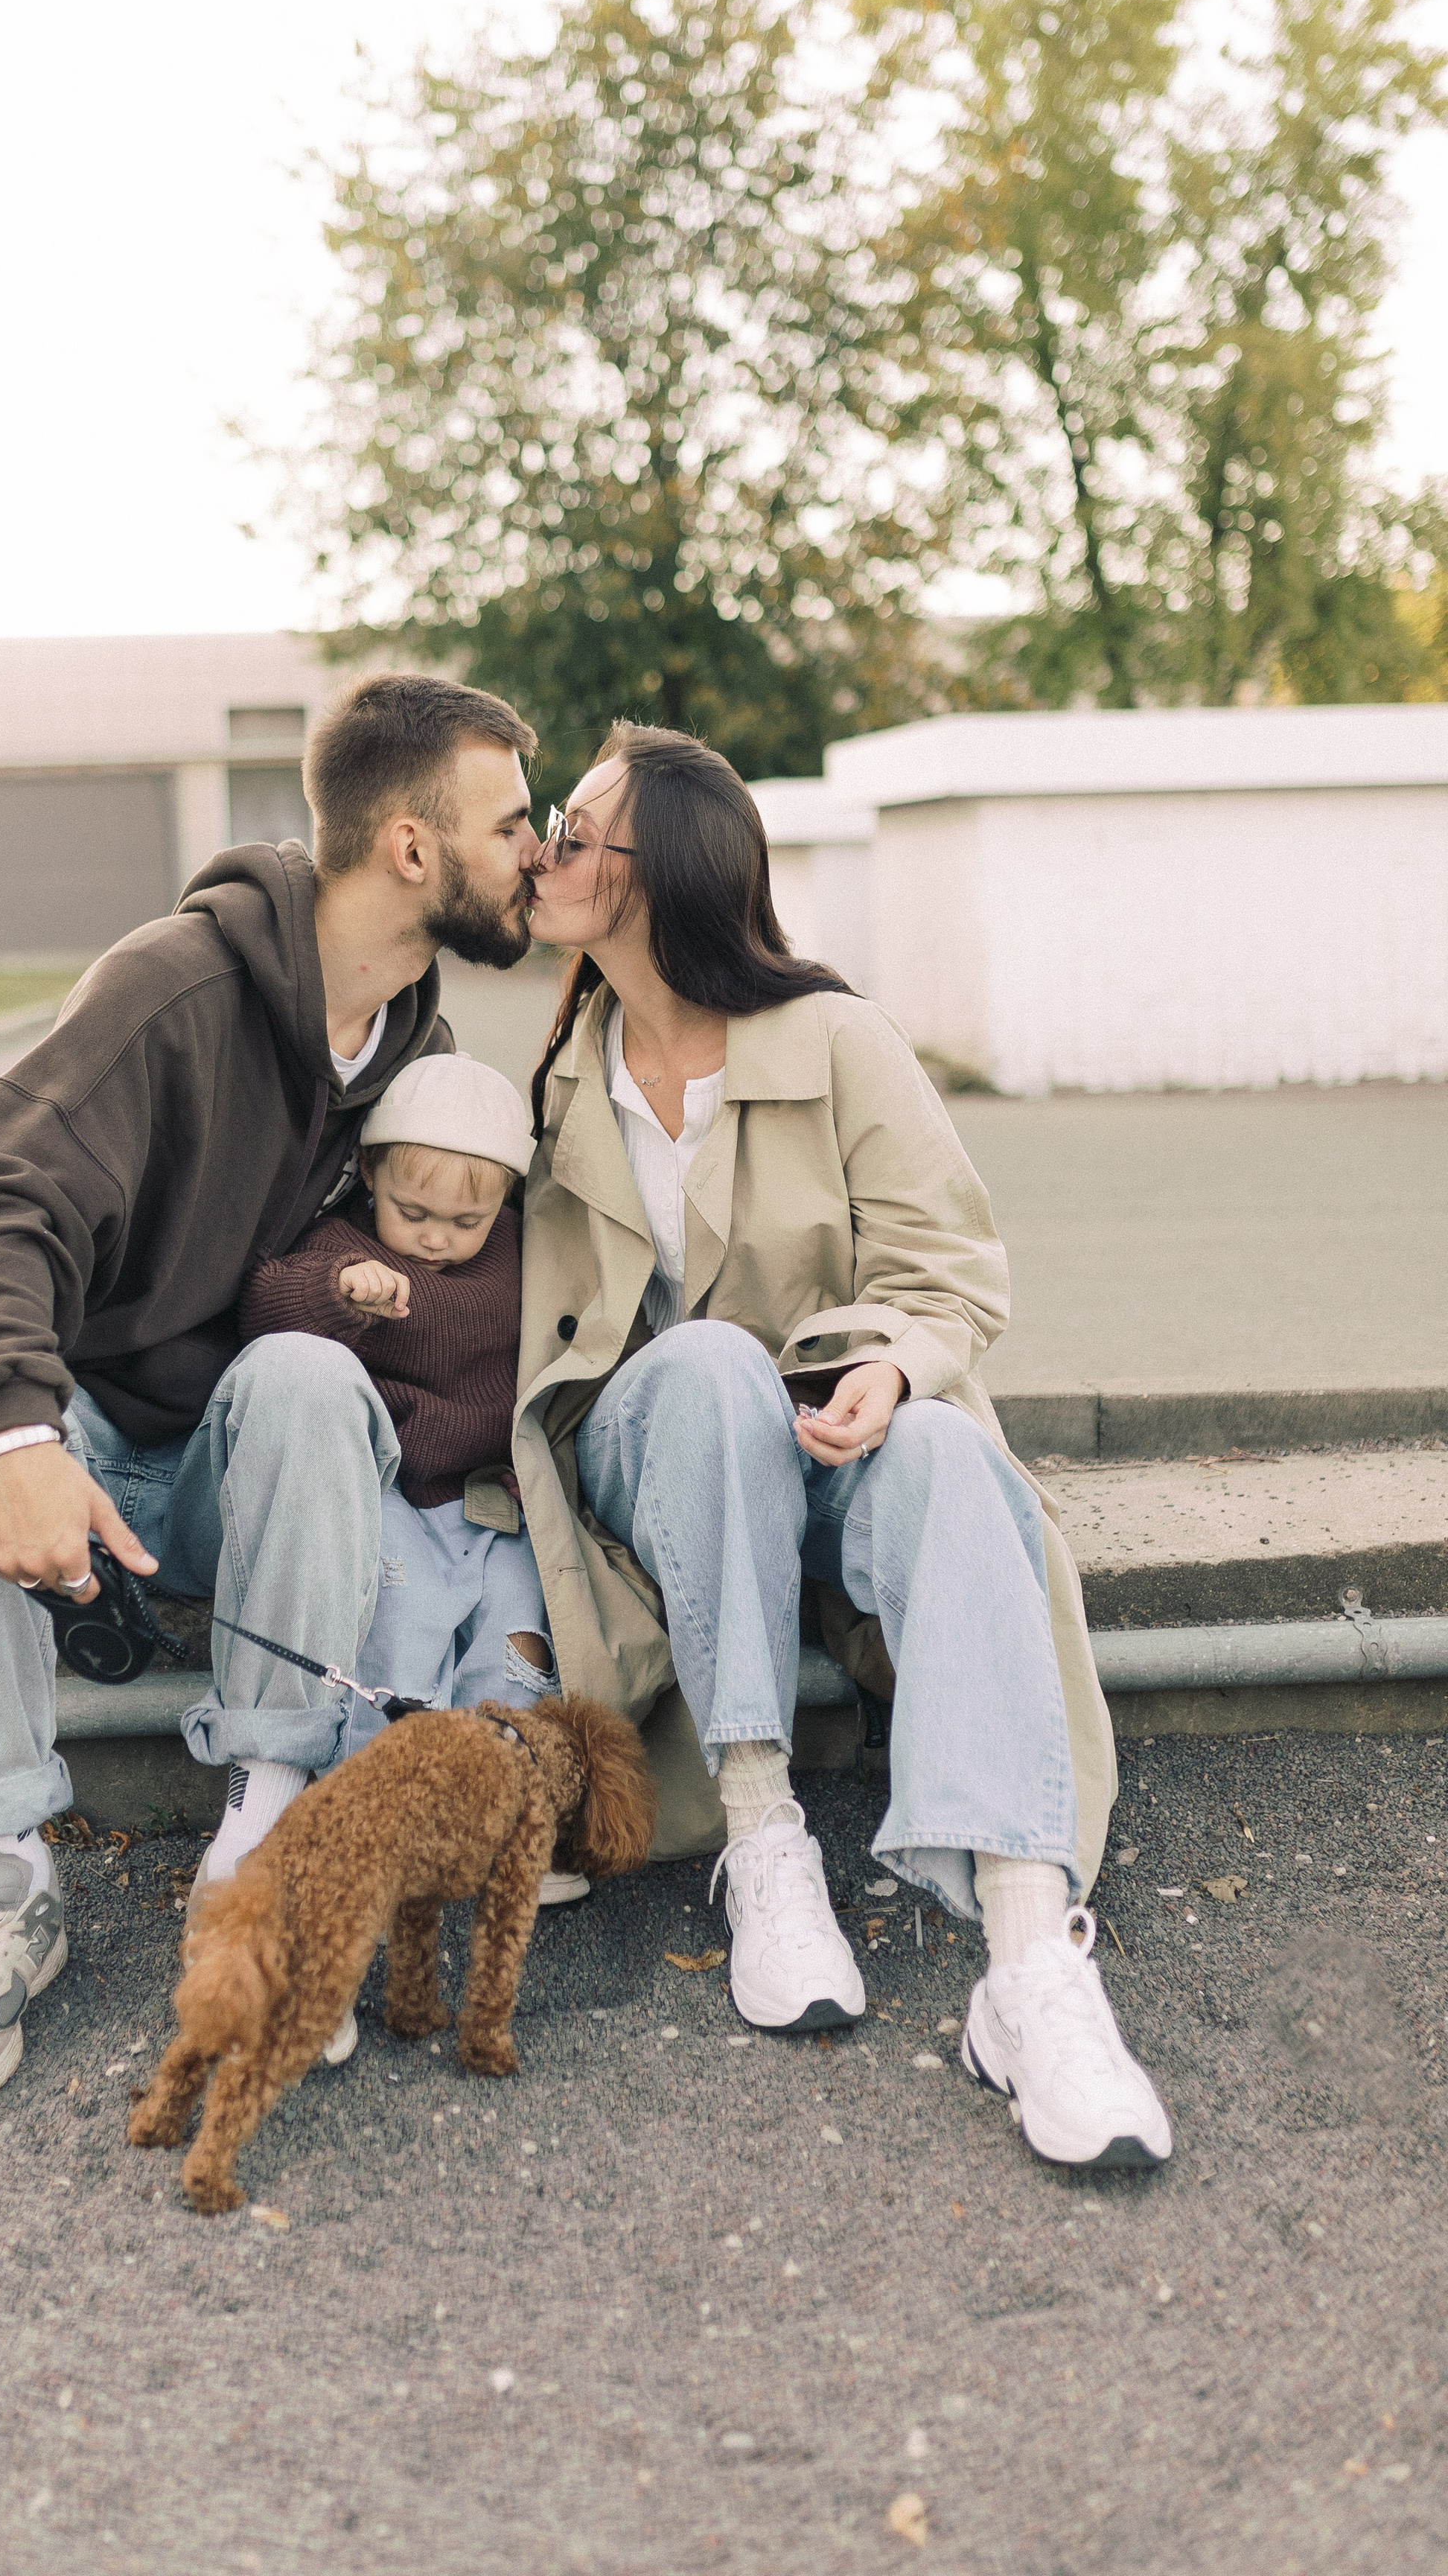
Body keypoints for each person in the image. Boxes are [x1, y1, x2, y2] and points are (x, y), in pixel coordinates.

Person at [0, 670, 540, 2105]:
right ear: (412, 848)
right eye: (511, 824)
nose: (534, 851)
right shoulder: (173, 989)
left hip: (241, 1475)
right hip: (94, 1445)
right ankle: (3, 1870)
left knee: (303, 1372)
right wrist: (18, 1434)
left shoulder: (415, 1056)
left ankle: (261, 1841)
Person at [517, 724, 1171, 2171]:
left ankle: (1029, 1967)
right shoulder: (555, 1065)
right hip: (656, 1466)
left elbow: (952, 1276)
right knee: (704, 1366)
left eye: (572, 829)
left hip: (831, 1446)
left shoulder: (836, 1041)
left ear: (655, 875)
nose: (543, 850)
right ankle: (764, 1841)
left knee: (946, 1455)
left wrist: (890, 1367)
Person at [232, 1050, 558, 1773]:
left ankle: (499, 1781)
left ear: (505, 1199)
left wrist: (540, 1458)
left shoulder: (520, 1250)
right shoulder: (343, 1246)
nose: (435, 1239)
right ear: (370, 1173)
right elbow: (265, 1307)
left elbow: (560, 1354)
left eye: (466, 1220)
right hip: (391, 1497)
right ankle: (381, 1779)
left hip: (492, 1497)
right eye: (412, 1214)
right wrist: (338, 1292)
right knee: (400, 1635)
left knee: (517, 1641)